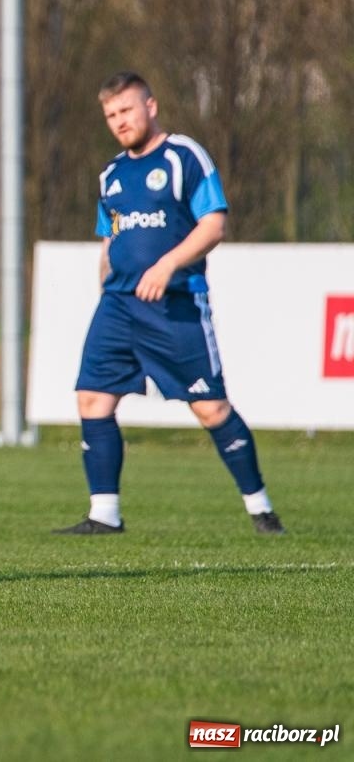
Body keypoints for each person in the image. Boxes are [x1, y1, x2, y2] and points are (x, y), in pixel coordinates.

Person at [56, 71, 284, 535]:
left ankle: (260, 508)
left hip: (174, 305)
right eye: (111, 115)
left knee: (210, 409)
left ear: (150, 106)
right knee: (93, 397)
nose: (120, 121)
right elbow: (109, 238)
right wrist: (105, 282)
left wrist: (166, 266)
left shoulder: (184, 156)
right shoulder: (111, 174)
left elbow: (213, 224)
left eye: (126, 110)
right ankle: (104, 515)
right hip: (119, 306)